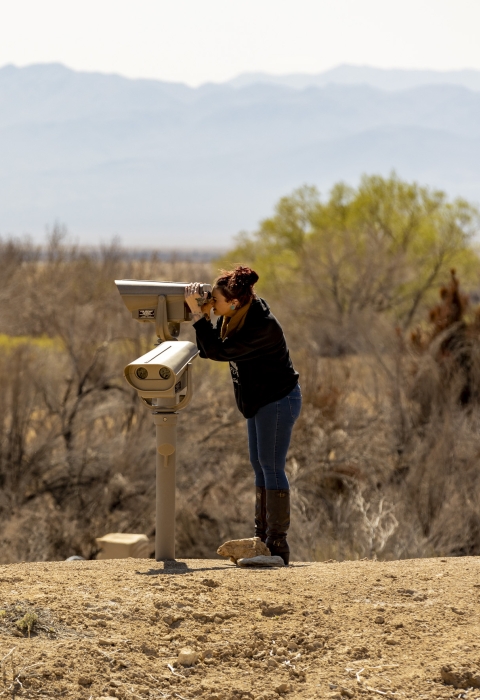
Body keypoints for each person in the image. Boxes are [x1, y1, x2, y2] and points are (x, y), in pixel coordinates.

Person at [185, 266, 301, 565]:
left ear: (235, 302)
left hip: (277, 400)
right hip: (260, 401)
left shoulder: (262, 327)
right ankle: (261, 541)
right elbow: (214, 346)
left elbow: (216, 352)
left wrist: (199, 316)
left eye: (218, 300)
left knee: (272, 467)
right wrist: (206, 308)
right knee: (260, 466)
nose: (214, 303)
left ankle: (278, 546)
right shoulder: (237, 317)